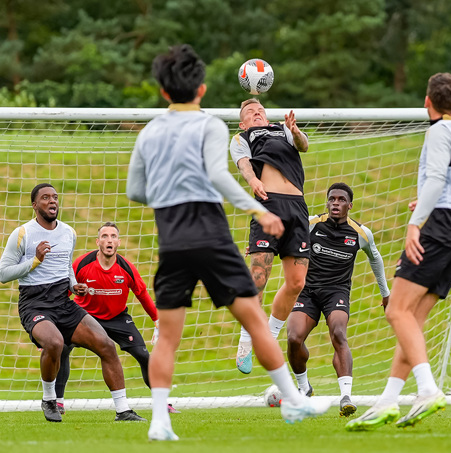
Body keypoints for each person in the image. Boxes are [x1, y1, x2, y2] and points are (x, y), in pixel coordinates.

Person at [126, 44, 330, 441]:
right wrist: (257, 208)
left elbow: (136, 189)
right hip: (210, 235)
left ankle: (159, 422)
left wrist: (167, 197)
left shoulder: (150, 131)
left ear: (164, 91)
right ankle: (294, 400)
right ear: (201, 90)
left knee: (168, 335)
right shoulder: (213, 127)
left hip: (172, 240)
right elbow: (220, 176)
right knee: (253, 319)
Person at [346, 73, 451, 432]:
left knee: (396, 310)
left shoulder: (438, 131)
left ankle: (428, 390)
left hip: (438, 228)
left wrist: (416, 222)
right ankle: (388, 400)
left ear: (427, 102)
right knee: (412, 318)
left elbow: (435, 179)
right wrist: (447, 200)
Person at [0, 184, 144, 423]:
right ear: (34, 205)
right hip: (34, 304)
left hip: (63, 302)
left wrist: (73, 285)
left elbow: (66, 267)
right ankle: (49, 399)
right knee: (55, 343)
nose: (52, 201)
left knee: (106, 345)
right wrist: (35, 261)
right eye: (45, 198)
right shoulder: (22, 233)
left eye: (55, 197)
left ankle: (123, 410)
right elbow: (3, 274)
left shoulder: (68, 232)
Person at [287, 182, 390, 417]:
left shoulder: (361, 233)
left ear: (349, 205)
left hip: (337, 292)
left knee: (339, 333)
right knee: (293, 338)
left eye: (341, 200)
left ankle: (346, 397)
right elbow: (285, 235)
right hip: (307, 292)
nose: (335, 203)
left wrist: (385, 294)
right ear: (327, 202)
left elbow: (376, 259)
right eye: (332, 199)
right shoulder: (312, 224)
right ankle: (304, 388)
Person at [54, 222, 178, 415]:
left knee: (144, 356)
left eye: (113, 236)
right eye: (104, 236)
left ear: (119, 242)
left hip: (117, 318)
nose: (109, 240)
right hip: (84, 317)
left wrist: (157, 320)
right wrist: (54, 326)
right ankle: (58, 402)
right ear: (98, 242)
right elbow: (64, 292)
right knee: (62, 348)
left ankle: (162, 402)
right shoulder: (82, 264)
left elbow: (142, 294)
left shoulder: (126, 268)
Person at [230, 98, 310, 374]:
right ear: (243, 123)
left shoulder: (282, 129)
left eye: (260, 110)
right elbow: (244, 163)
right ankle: (245, 341)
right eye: (250, 112)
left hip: (297, 208)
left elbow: (303, 146)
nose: (256, 113)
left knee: (297, 282)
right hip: (268, 204)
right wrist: (253, 180)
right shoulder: (242, 138)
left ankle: (270, 336)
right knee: (258, 276)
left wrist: (295, 131)